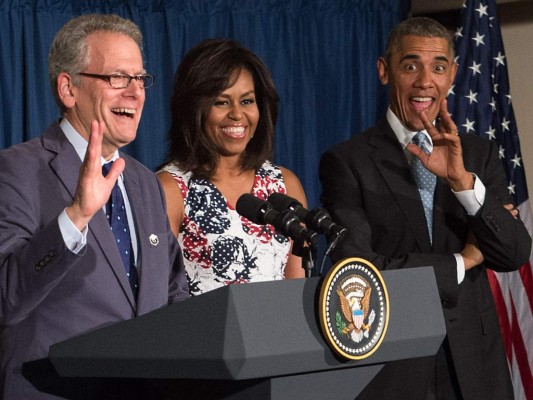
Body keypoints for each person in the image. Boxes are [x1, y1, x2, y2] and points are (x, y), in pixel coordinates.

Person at [319, 16, 531, 400]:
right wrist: (462, 261)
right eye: (411, 65)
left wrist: (463, 184)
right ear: (385, 71)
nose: (424, 82)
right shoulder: (347, 161)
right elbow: (361, 270)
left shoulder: (478, 156)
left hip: (476, 368)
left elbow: (513, 252)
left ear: (452, 75)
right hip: (395, 366)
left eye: (437, 67)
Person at [0, 14, 189, 399]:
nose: (135, 92)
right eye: (117, 77)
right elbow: (5, 297)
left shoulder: (143, 181)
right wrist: (76, 217)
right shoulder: (16, 170)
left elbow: (173, 291)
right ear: (69, 89)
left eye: (140, 79)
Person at [157, 38, 307, 296]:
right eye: (221, 102)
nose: (237, 114)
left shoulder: (284, 184)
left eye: (247, 101)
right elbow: (157, 294)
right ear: (194, 110)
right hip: (202, 334)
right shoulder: (171, 188)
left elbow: (297, 291)